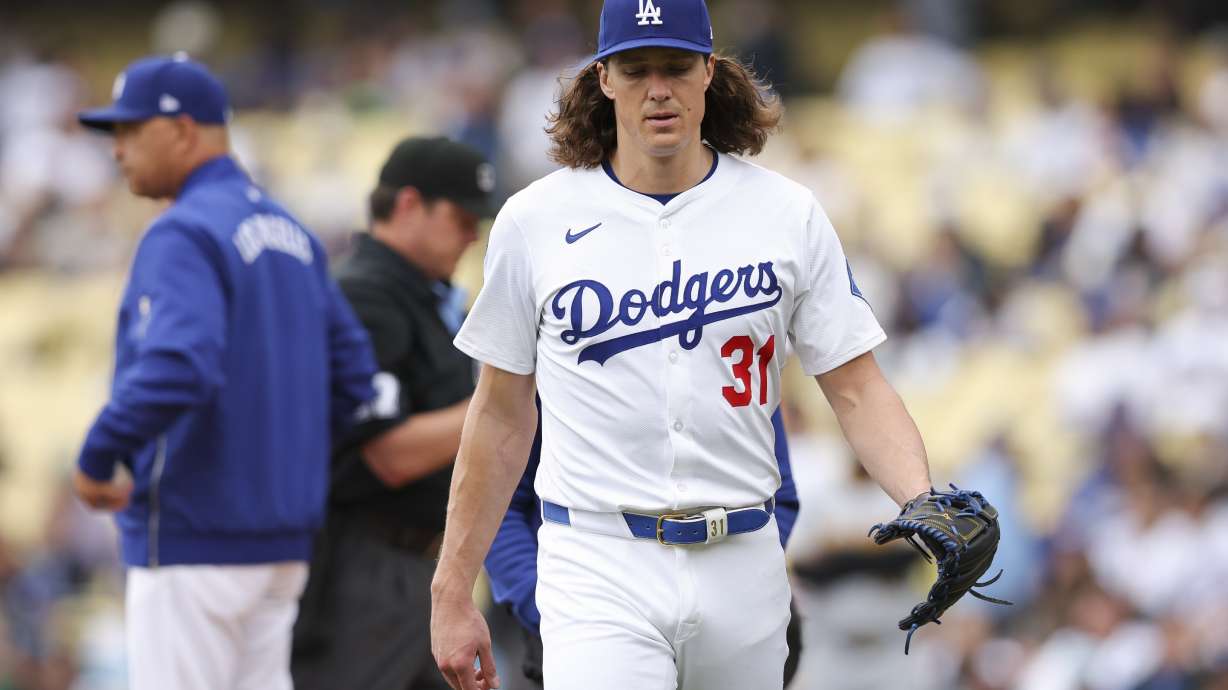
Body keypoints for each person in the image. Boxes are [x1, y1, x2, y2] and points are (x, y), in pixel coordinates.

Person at [429, 0, 934, 687]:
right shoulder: (535, 220)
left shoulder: (785, 213)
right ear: (604, 77)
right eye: (636, 69)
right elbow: (498, 414)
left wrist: (920, 497)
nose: (656, 88)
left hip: (744, 556)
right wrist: (451, 590)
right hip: (599, 555)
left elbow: (855, 385)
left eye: (675, 66)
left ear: (709, 73)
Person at [72, 54, 378, 690]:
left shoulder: (181, 232)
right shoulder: (294, 232)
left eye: (130, 131)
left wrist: (98, 456)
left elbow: (177, 365)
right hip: (281, 544)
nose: (117, 150)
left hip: (195, 537)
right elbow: (357, 380)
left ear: (182, 130)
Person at [290, 136, 497, 690]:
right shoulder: (364, 295)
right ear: (409, 205)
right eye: (459, 216)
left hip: (417, 567)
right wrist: (502, 406)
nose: (472, 234)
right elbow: (389, 455)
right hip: (368, 565)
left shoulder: (423, 296)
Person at [486, 406, 804, 688]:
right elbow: (498, 507)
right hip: (576, 610)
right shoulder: (559, 367)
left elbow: (779, 498)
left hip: (729, 617)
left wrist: (741, 583)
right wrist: (553, 607)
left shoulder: (726, 362)